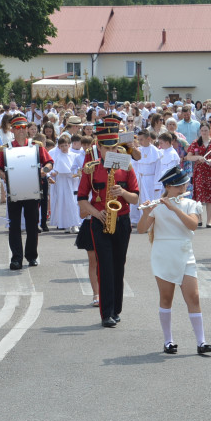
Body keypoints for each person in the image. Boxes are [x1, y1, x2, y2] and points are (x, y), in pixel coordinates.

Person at [137, 167, 211, 355]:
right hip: (163, 254)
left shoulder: (190, 204)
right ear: (168, 187)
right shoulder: (158, 206)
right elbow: (141, 229)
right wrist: (147, 212)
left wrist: (174, 208)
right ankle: (168, 341)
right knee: (166, 298)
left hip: (185, 254)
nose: (182, 189)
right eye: (178, 186)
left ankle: (201, 342)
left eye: (184, 185)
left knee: (193, 297)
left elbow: (193, 224)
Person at [77, 130, 140, 328]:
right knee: (104, 266)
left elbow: (136, 198)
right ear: (99, 148)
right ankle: (106, 313)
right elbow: (81, 199)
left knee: (118, 265)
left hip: (121, 220)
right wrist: (97, 214)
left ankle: (116, 309)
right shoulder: (91, 169)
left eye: (114, 147)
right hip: (100, 220)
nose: (111, 151)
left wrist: (122, 192)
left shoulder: (126, 165)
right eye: (107, 148)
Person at [0, 115, 53, 270]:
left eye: (23, 128)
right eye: (17, 128)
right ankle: (16, 258)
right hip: (14, 191)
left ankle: (32, 256)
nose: (20, 131)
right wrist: (4, 176)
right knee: (14, 226)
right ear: (12, 130)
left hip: (32, 189)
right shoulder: (6, 148)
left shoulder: (36, 145)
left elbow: (49, 162)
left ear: (27, 129)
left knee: (33, 225)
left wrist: (44, 170)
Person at [184, 122, 211, 228]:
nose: (204, 132)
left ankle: (209, 220)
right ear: (200, 131)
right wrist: (198, 157)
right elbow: (188, 157)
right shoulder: (196, 142)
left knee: (210, 196)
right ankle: (200, 218)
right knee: (199, 196)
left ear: (209, 130)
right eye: (202, 131)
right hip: (200, 171)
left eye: (206, 130)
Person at [48, 135, 83, 232]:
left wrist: (77, 173)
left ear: (69, 145)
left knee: (73, 202)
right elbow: (57, 169)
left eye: (66, 145)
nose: (64, 148)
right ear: (59, 147)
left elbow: (77, 167)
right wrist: (54, 173)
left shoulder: (74, 156)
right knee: (64, 203)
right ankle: (66, 224)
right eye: (62, 146)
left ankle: (75, 224)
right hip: (62, 182)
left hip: (73, 181)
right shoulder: (59, 157)